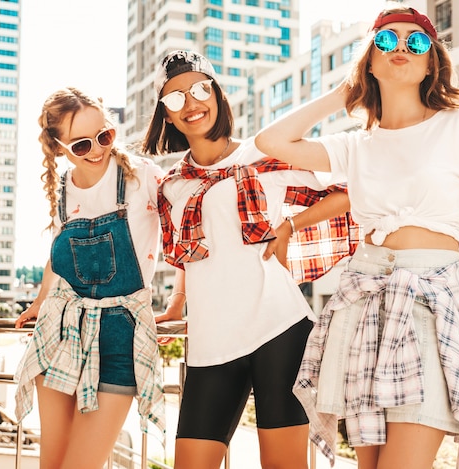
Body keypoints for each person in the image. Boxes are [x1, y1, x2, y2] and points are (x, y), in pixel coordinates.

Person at [255, 4, 459, 469]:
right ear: (370, 61)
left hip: (427, 303)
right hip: (364, 302)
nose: (401, 47)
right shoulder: (356, 144)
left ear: (430, 62)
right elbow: (271, 142)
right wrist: (345, 94)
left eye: (415, 42)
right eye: (386, 40)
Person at [141, 49, 353, 469]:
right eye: (176, 97)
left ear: (217, 95)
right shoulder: (170, 186)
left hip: (279, 328)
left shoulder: (261, 156)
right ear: (166, 114)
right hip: (210, 342)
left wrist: (293, 224)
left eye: (200, 89)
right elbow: (188, 256)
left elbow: (350, 193)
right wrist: (176, 304)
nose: (192, 103)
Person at [13, 87, 166, 469]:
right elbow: (58, 254)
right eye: (81, 145)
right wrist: (39, 300)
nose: (97, 149)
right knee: (51, 463)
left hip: (120, 335)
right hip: (62, 330)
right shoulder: (64, 188)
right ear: (59, 146)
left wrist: (178, 301)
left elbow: (187, 231)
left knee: (82, 464)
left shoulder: (141, 176)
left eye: (105, 136)